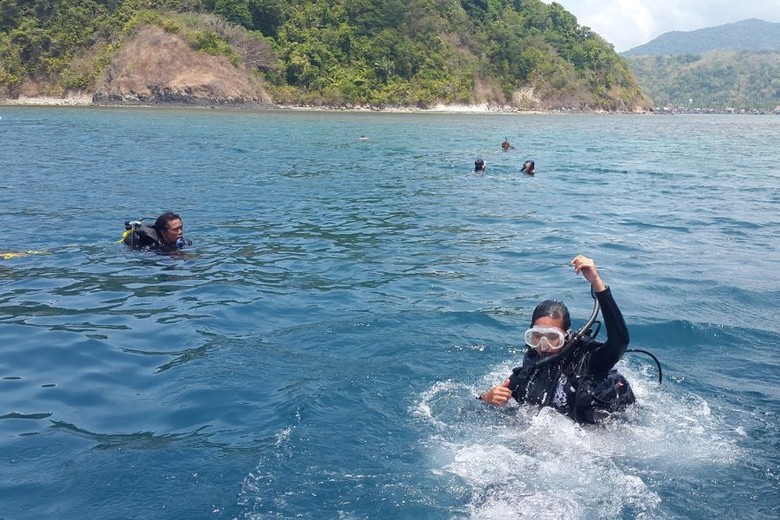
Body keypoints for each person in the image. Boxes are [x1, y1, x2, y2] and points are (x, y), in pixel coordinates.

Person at [478, 255, 635, 423]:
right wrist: (485, 398)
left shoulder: (588, 363)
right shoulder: (529, 371)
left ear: (566, 336)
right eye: (537, 337)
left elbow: (620, 341)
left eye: (553, 337)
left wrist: (597, 282)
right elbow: (490, 405)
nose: (543, 345)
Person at [123, 211, 189, 251]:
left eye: (181, 228)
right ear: (163, 232)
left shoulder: (180, 240)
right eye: (175, 229)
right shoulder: (150, 245)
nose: (180, 232)